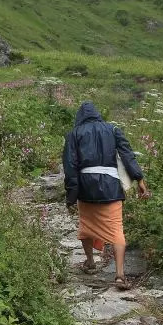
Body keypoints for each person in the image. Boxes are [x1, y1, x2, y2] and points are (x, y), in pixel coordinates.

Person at [62, 101, 149, 290]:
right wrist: (139, 179)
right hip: (111, 187)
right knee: (117, 229)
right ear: (98, 114)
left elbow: (70, 166)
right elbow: (127, 155)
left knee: (86, 226)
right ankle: (119, 275)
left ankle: (90, 263)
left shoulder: (74, 134)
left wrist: (71, 195)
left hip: (86, 188)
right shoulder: (112, 130)